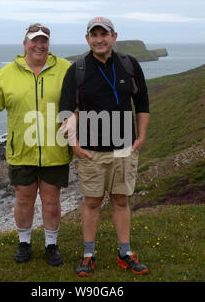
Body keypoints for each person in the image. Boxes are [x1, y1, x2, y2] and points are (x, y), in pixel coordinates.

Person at [0, 23, 73, 266]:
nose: (39, 45)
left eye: (44, 41)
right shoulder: (5, 75)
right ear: (25, 44)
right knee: (24, 200)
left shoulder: (66, 69)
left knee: (51, 201)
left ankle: (51, 244)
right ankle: (24, 242)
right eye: (34, 40)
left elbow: (81, 98)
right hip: (21, 150)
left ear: (48, 44)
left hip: (56, 149)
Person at [59, 17, 150, 276]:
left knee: (121, 200)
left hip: (124, 148)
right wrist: (75, 146)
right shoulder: (77, 69)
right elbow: (65, 110)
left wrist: (141, 137)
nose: (100, 39)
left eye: (104, 34)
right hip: (91, 151)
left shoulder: (129, 64)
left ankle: (125, 253)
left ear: (114, 36)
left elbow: (142, 103)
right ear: (87, 39)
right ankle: (88, 254)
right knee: (92, 202)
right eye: (94, 35)